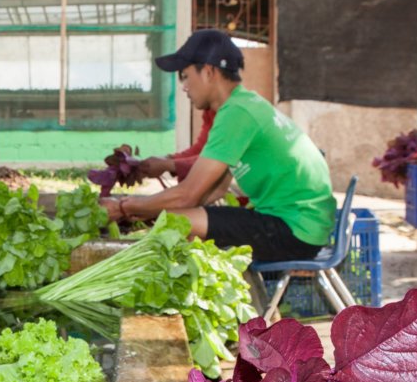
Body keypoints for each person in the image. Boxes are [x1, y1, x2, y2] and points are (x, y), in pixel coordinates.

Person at [100, 29, 336, 262]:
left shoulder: (236, 113)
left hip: (293, 230)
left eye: (185, 76)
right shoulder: (244, 105)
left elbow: (187, 196)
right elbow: (217, 190)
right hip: (301, 225)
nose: (184, 87)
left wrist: (126, 207)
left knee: (177, 224)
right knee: (178, 219)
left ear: (209, 72)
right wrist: (147, 210)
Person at [135, 109, 216, 182]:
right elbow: (201, 149)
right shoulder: (210, 110)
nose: (185, 91)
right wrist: (165, 160)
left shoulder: (227, 113)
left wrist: (165, 164)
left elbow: (215, 160)